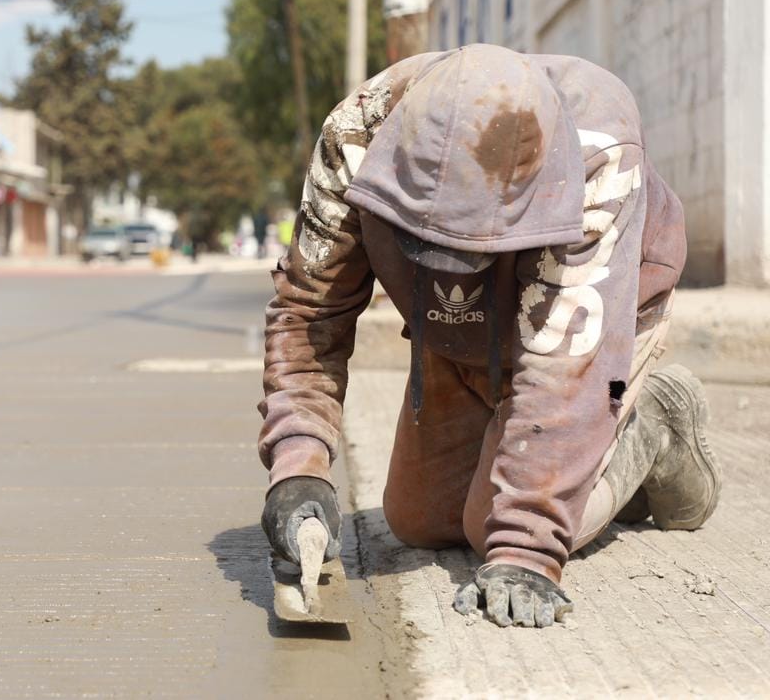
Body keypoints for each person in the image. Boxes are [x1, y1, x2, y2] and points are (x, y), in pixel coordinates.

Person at [258, 44, 720, 629]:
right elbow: (309, 311)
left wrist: (528, 547)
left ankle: (651, 421)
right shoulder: (356, 135)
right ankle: (540, 450)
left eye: (466, 251)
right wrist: (299, 464)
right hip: (460, 331)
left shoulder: (598, 154)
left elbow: (564, 367)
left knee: (496, 526)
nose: (452, 266)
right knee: (419, 521)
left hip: (595, 321)